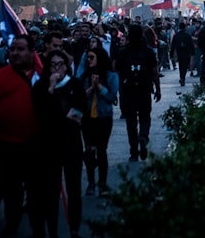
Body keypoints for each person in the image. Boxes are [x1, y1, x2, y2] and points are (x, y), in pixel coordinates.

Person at [0, 34, 44, 237]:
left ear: (32, 53)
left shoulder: (43, 74)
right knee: (11, 190)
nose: (15, 53)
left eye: (20, 49)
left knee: (36, 191)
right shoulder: (0, 75)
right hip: (6, 143)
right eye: (13, 49)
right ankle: (11, 223)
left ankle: (38, 227)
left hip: (36, 144)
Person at [33, 49, 88, 238]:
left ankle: (74, 228)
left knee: (73, 188)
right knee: (51, 190)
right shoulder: (41, 86)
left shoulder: (74, 84)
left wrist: (66, 117)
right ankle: (53, 229)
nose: (57, 69)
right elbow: (40, 111)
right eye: (53, 65)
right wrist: (50, 88)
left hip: (71, 143)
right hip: (49, 145)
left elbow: (80, 111)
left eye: (60, 64)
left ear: (66, 66)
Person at [114, 23, 161, 162]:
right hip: (144, 90)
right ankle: (144, 135)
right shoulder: (148, 52)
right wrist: (157, 89)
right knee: (145, 117)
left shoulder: (123, 52)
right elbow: (154, 72)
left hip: (128, 91)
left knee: (131, 122)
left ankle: (134, 151)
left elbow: (117, 70)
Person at [81, 45, 118, 197]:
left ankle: (102, 184)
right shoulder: (84, 76)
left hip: (103, 117)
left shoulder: (111, 76)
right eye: (87, 58)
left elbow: (111, 97)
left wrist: (100, 87)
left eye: (91, 57)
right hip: (88, 117)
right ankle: (91, 182)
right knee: (89, 150)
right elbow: (80, 97)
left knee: (102, 151)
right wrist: (91, 87)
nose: (88, 60)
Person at [169, 21, 195, 87]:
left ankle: (181, 77)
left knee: (181, 66)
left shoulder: (176, 36)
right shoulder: (187, 36)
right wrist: (192, 54)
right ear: (185, 28)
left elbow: (173, 46)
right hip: (186, 53)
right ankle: (183, 77)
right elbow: (191, 46)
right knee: (185, 66)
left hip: (179, 53)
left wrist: (171, 54)